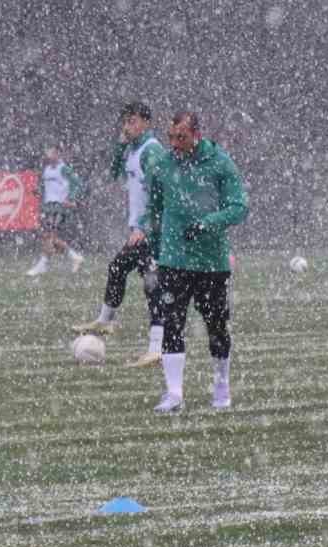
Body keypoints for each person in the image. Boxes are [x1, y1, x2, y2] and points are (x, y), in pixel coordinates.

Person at [138, 110, 248, 412]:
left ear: (196, 135)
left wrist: (206, 223)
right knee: (172, 323)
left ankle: (222, 383)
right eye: (171, 136)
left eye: (181, 137)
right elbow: (155, 208)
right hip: (174, 260)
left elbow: (239, 207)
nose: (174, 143)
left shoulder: (219, 163)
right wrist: (154, 240)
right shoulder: (163, 165)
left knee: (217, 326)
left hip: (211, 261)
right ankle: (174, 393)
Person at [73, 101, 167, 368]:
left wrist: (143, 227)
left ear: (146, 122)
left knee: (153, 287)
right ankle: (106, 321)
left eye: (133, 121)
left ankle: (156, 349)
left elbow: (161, 196)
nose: (128, 126)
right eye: (125, 121)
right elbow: (114, 172)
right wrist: (120, 144)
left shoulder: (152, 152)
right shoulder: (132, 149)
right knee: (117, 268)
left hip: (154, 233)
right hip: (142, 231)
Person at [25, 145, 85, 276]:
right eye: (48, 152)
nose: (49, 154)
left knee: (49, 236)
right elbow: (48, 188)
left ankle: (43, 264)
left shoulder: (63, 168)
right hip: (49, 207)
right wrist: (39, 191)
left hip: (60, 207)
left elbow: (78, 183)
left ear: (58, 154)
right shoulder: (46, 169)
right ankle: (74, 257)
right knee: (49, 237)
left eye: (52, 152)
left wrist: (71, 198)